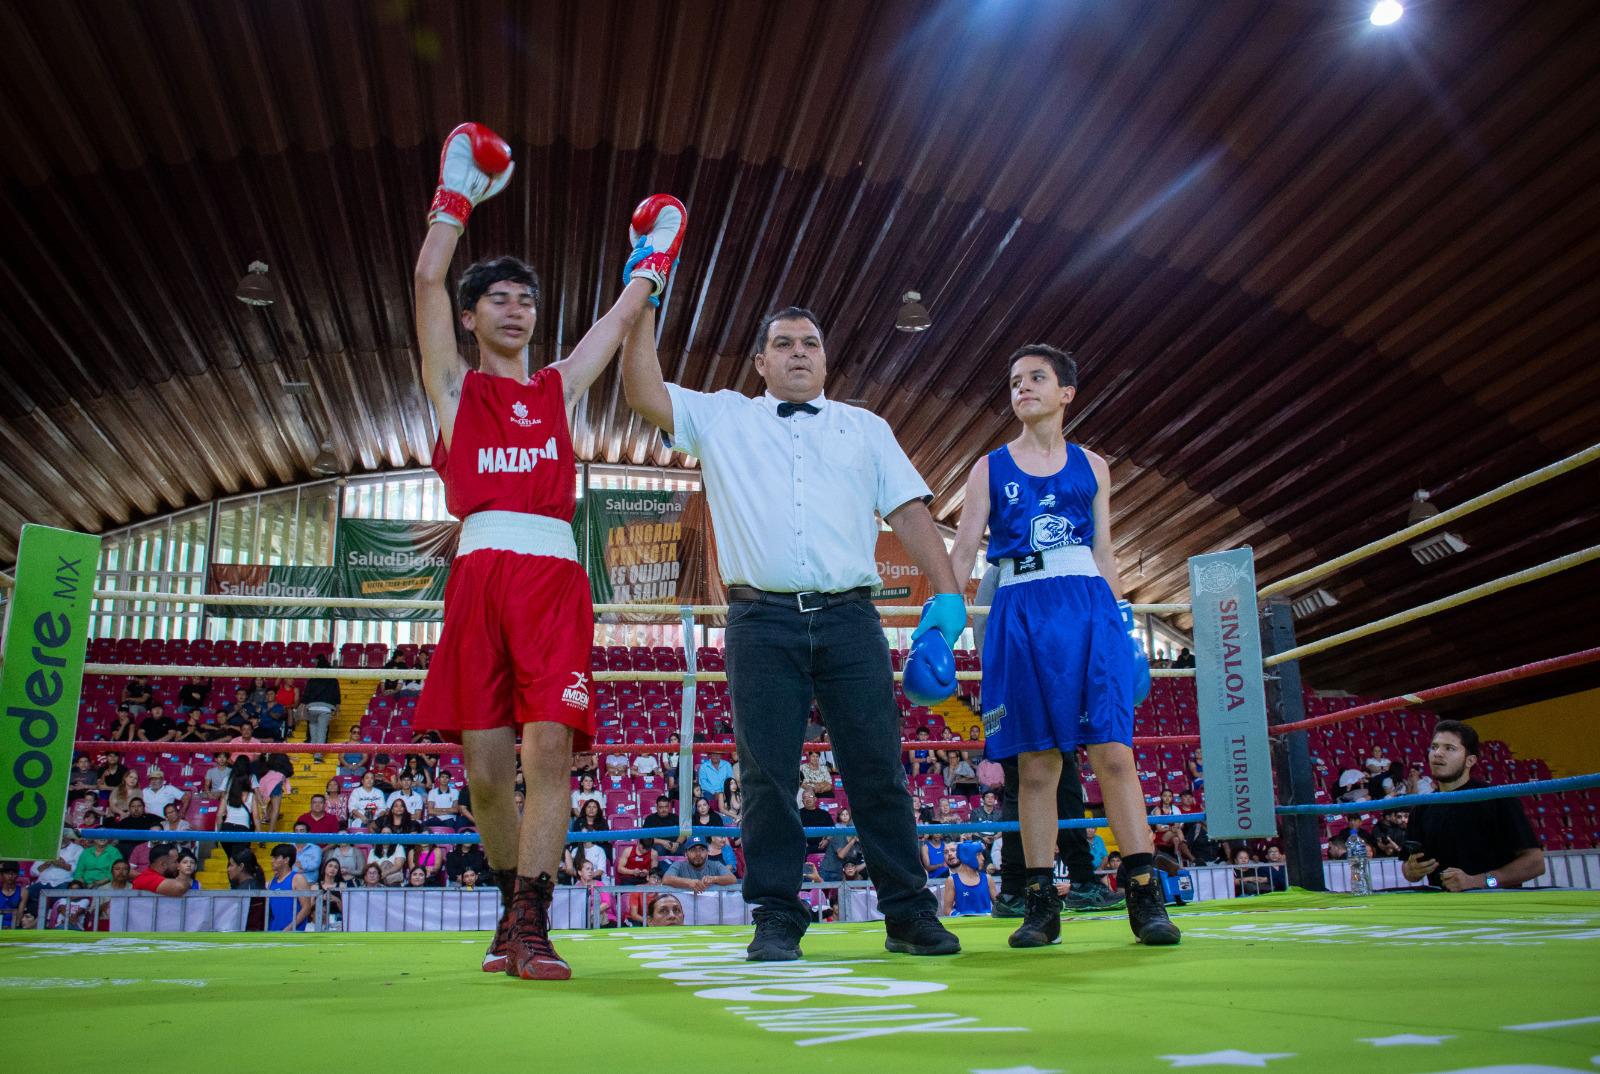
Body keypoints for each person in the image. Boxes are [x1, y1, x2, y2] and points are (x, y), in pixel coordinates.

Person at [410, 121, 683, 981]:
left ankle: (533, 924)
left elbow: (615, 321)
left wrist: (656, 254)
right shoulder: (456, 387)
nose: (515, 308)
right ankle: (505, 910)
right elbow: (425, 276)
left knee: (549, 752)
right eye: (497, 297)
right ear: (470, 315)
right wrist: (458, 192)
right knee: (488, 773)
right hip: (480, 576)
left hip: (553, 578)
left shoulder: (556, 388)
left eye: (525, 298)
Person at [622, 305, 964, 961]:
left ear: (826, 360)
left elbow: (909, 510)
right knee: (766, 777)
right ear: (760, 362)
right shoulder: (723, 416)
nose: (799, 352)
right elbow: (643, 393)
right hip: (760, 619)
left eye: (811, 343)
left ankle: (908, 914)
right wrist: (644, 306)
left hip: (851, 618)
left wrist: (948, 593)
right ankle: (776, 914)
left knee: (878, 770)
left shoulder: (865, 428)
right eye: (783, 343)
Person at [947, 344, 1178, 949]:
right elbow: (963, 550)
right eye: (1015, 380)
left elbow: (1104, 549)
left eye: (1036, 379)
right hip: (1019, 607)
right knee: (1038, 765)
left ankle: (1145, 895)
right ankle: (1041, 901)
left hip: (1089, 607)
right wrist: (940, 621)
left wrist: (1124, 622)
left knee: (1115, 756)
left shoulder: (1094, 466)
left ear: (1066, 393)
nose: (1022, 388)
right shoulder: (988, 468)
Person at [1403, 720, 1544, 890]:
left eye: (1449, 748)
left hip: (1497, 907)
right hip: (1443, 909)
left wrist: (1480, 881)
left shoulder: (1497, 799)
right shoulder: (1421, 807)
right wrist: (1412, 870)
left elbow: (1535, 863)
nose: (1437, 753)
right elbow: (1408, 871)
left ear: (1470, 760)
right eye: (1434, 747)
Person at [662, 838, 737, 894]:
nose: (698, 853)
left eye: (702, 849)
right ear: (685, 853)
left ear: (707, 852)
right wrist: (689, 882)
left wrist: (714, 879)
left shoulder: (715, 864)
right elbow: (666, 879)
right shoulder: (679, 865)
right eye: (693, 850)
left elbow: (732, 879)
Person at [264, 844, 313, 932]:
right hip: (273, 932)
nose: (272, 861)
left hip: (292, 934)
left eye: (275, 857)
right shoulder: (271, 882)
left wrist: (289, 929)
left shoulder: (297, 879)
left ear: (286, 860)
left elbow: (306, 908)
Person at [939, 842, 994, 917]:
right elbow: (947, 910)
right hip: (963, 926)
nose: (983, 858)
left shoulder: (987, 878)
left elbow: (999, 906)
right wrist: (960, 916)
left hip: (987, 925)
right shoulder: (952, 880)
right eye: (978, 855)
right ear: (968, 857)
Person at [302, 657, 341, 759]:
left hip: (312, 707)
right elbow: (336, 696)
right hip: (325, 708)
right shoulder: (333, 679)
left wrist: (304, 705)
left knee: (313, 730)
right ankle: (318, 756)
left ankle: (313, 749)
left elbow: (306, 694)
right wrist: (337, 709)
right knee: (322, 732)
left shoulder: (312, 679)